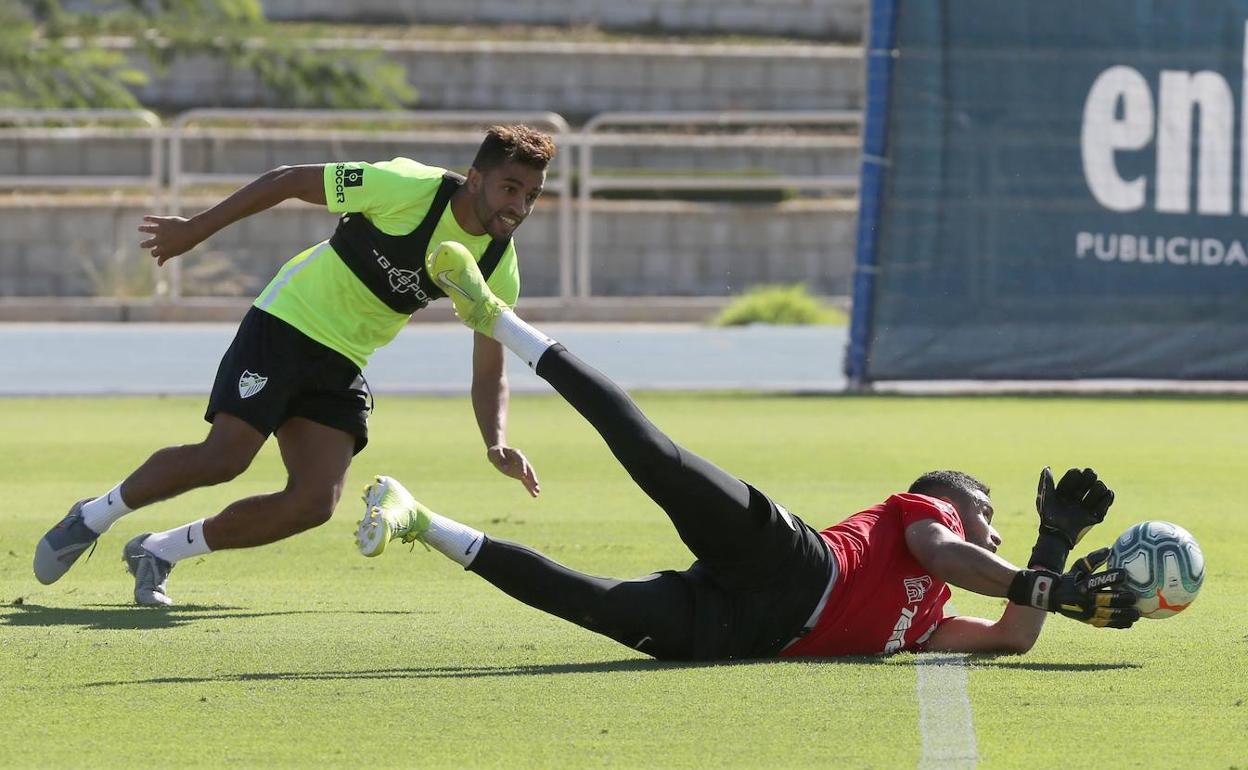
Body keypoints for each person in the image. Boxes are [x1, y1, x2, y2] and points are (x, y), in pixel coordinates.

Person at [353, 245, 1140, 660]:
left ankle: (421, 520)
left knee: (591, 603)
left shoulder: (927, 621)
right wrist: (1046, 584)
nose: (992, 531)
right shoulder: (926, 517)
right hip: (791, 561)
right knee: (656, 459)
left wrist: (1055, 549)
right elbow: (950, 554)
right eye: (990, 515)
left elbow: (1011, 635)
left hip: (746, 633)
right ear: (951, 499)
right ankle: (498, 317)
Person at [33, 125, 554, 606]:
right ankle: (92, 517)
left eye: (531, 195)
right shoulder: (408, 187)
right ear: (476, 177)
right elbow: (286, 181)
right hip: (287, 321)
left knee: (314, 502)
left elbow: (490, 369)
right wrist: (194, 231)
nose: (520, 206)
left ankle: (160, 550)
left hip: (344, 358)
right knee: (226, 457)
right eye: (510, 188)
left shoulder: (498, 267)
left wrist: (495, 440)